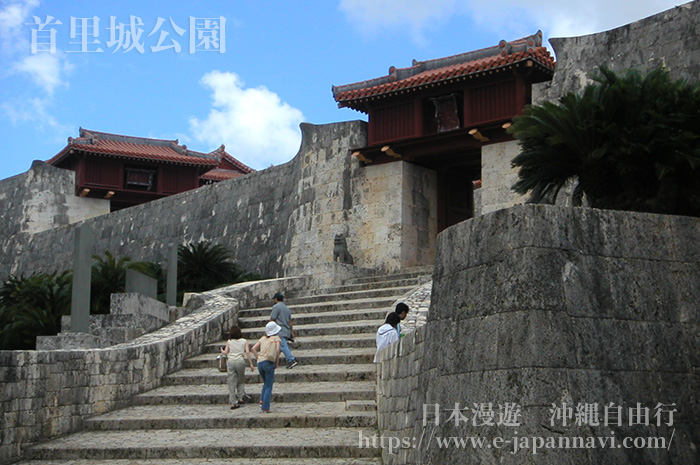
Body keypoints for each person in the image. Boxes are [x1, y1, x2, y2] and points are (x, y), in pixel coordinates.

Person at [220, 326, 255, 409]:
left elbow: (225, 352)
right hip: (240, 361)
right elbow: (247, 352)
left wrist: (222, 350)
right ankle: (240, 397)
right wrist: (251, 364)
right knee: (241, 379)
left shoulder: (229, 341)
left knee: (231, 382)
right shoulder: (244, 341)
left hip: (231, 361)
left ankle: (233, 402)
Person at [251, 321, 282, 413]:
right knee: (269, 385)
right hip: (269, 362)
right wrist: (277, 363)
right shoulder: (276, 338)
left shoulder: (262, 339)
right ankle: (265, 406)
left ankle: (262, 399)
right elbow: (277, 351)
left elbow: (253, 348)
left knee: (265, 382)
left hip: (260, 363)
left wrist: (258, 357)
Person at [269, 291, 298, 369]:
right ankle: (273, 361)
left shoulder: (276, 307)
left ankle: (291, 359)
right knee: (279, 346)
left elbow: (272, 319)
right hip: (286, 330)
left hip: (279, 330)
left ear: (276, 299)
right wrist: (291, 332)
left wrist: (268, 329)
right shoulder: (286, 308)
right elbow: (290, 322)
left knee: (282, 346)